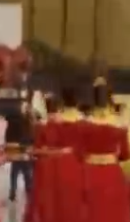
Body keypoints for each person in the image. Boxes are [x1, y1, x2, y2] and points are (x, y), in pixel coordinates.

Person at [79, 79, 130, 222]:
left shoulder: (83, 124)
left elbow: (78, 152)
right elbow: (126, 154)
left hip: (89, 173)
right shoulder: (119, 124)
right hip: (112, 173)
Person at [50, 86, 88, 222]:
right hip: (79, 160)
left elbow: (52, 141)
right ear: (77, 101)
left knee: (59, 197)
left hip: (59, 160)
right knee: (77, 196)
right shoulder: (83, 119)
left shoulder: (55, 119)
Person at [24, 96, 59, 222]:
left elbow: (36, 149)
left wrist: (32, 151)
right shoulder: (64, 125)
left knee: (43, 196)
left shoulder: (40, 126)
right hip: (60, 165)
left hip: (44, 166)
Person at [4, 96, 34, 203]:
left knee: (15, 169)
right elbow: (29, 132)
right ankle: (29, 190)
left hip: (14, 146)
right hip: (23, 145)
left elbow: (8, 133)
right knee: (26, 169)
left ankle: (13, 191)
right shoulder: (25, 119)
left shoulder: (11, 118)